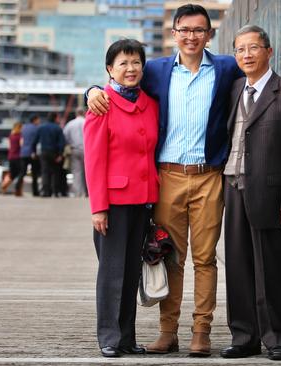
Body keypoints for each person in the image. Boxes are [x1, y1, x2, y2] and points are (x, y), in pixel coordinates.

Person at [87, 4, 281, 357]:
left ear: (209, 35)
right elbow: (119, 79)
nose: (191, 36)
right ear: (174, 34)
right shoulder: (155, 70)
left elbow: (261, 69)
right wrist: (92, 90)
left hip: (209, 177)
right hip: (167, 176)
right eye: (184, 30)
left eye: (199, 30)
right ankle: (167, 331)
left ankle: (201, 331)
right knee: (169, 257)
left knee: (205, 259)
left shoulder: (225, 66)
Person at [220, 25, 281, 361]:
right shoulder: (233, 89)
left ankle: (276, 339)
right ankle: (244, 337)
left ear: (269, 51)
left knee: (270, 268)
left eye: (254, 48)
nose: (247, 55)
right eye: (241, 49)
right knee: (238, 267)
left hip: (271, 196)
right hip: (233, 189)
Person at [84, 39, 159, 358]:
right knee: (112, 273)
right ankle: (109, 337)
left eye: (136, 62)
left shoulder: (151, 104)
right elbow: (93, 160)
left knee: (131, 273)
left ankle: (127, 336)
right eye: (123, 63)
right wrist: (98, 207)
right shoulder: (102, 104)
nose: (131, 69)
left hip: (144, 201)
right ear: (109, 69)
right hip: (113, 204)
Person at [33, 112, 66, 197]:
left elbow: (35, 141)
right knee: (56, 172)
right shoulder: (58, 128)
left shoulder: (41, 127)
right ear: (55, 118)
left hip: (44, 152)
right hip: (54, 152)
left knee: (45, 172)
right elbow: (61, 143)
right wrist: (60, 154)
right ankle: (55, 191)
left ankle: (46, 192)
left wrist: (33, 152)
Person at [63, 107, 88, 197]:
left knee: (77, 172)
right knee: (88, 172)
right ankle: (87, 193)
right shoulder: (87, 121)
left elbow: (65, 137)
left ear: (76, 114)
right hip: (87, 150)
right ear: (84, 113)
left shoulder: (70, 124)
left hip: (74, 150)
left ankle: (78, 193)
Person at [19, 115, 41, 196]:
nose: (39, 122)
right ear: (35, 120)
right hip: (32, 153)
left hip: (23, 153)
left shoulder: (24, 128)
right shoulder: (36, 128)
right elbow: (35, 142)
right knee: (34, 174)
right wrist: (34, 152)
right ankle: (35, 192)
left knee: (22, 172)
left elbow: (21, 140)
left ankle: (18, 189)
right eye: (38, 120)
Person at [1, 121, 24, 196]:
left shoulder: (11, 136)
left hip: (10, 157)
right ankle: (18, 191)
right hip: (18, 157)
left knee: (12, 174)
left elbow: (9, 147)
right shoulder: (20, 135)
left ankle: (4, 184)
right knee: (21, 174)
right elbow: (22, 145)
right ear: (19, 128)